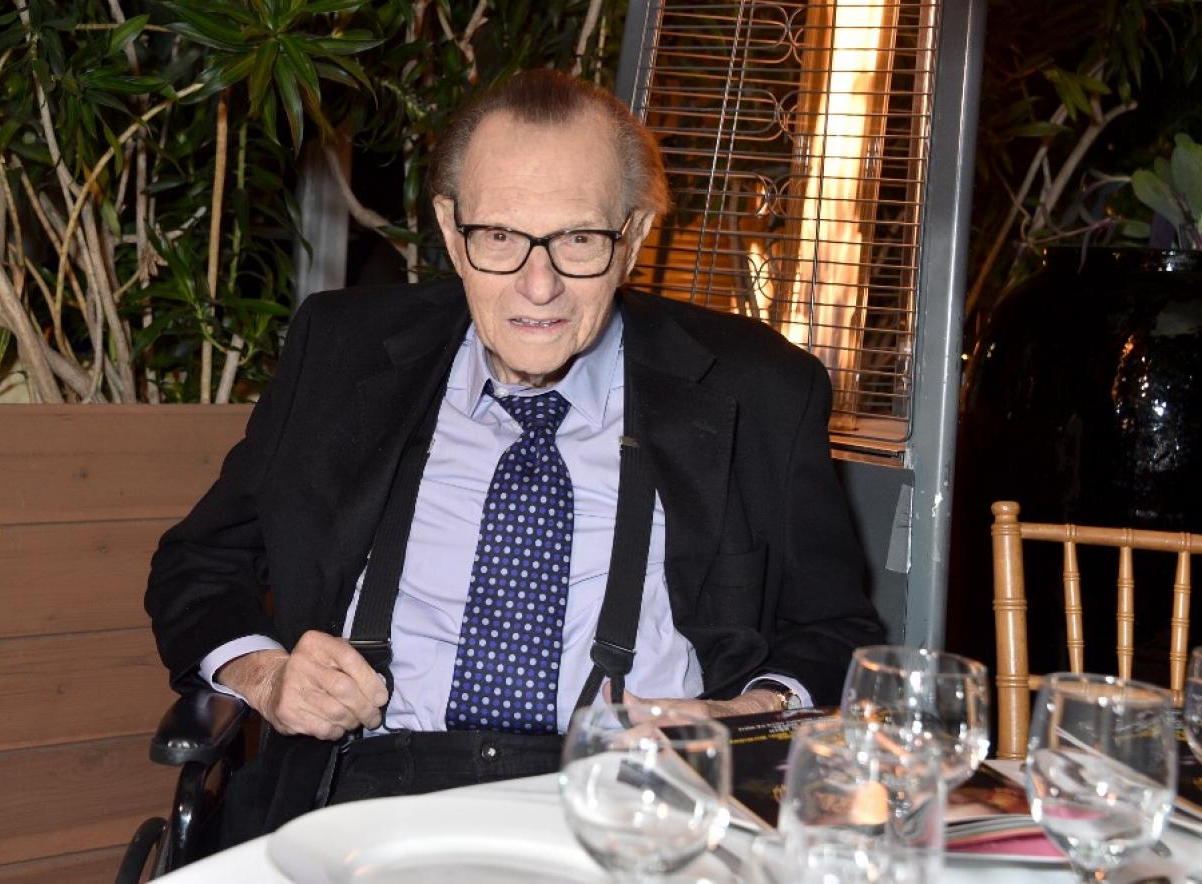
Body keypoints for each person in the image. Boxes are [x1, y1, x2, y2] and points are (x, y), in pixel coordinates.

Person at [145, 68, 884, 844]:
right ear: (450, 229)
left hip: (641, 803)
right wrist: (269, 678)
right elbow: (198, 564)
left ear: (633, 235)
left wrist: (748, 712)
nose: (539, 287)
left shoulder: (758, 389)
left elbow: (835, 627)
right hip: (365, 799)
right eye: (499, 237)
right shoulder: (341, 351)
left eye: (578, 240)